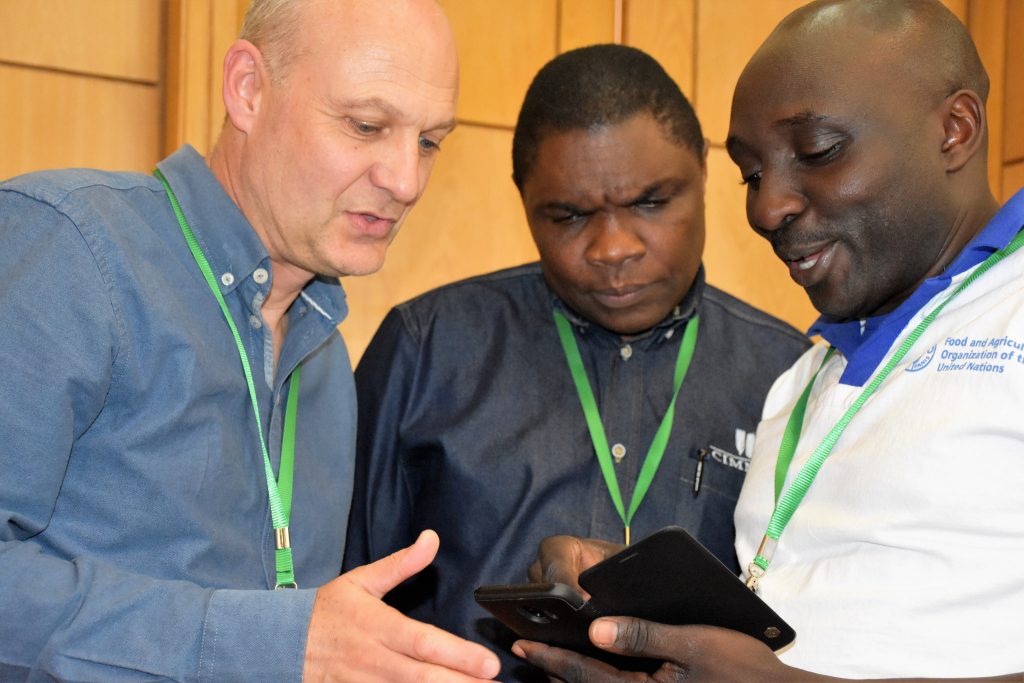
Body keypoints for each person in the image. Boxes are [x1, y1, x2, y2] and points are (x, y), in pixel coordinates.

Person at [514, 0, 1024, 681]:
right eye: (751, 174)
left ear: (954, 130)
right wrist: (653, 620)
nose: (766, 207)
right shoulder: (802, 377)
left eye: (817, 151)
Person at [0, 0, 502, 680]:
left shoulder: (325, 358)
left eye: (429, 141)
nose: (405, 180)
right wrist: (270, 642)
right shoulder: (71, 249)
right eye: (366, 125)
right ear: (247, 88)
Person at [343, 44, 810, 681]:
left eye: (651, 202)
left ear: (702, 171)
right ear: (523, 199)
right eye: (568, 215)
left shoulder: (790, 375)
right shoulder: (426, 348)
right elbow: (348, 597)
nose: (613, 248)